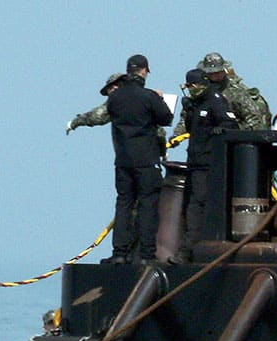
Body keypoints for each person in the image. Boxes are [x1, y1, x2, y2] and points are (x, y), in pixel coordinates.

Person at [102, 54, 173, 265]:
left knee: (123, 203)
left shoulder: (115, 98)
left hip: (122, 160)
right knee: (148, 205)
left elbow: (111, 115)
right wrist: (159, 99)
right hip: (146, 159)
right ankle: (146, 254)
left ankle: (119, 253)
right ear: (144, 71)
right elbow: (166, 118)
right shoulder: (148, 97)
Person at [169, 69, 239, 265]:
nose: (190, 90)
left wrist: (222, 129)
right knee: (192, 205)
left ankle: (190, 251)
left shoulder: (216, 101)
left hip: (209, 164)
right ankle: (190, 249)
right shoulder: (197, 104)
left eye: (192, 87)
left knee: (198, 206)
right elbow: (191, 128)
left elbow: (231, 124)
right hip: (195, 161)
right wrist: (190, 111)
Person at [173, 53, 266, 135]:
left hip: (235, 144)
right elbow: (186, 117)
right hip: (206, 144)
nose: (214, 76)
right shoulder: (199, 92)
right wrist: (177, 135)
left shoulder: (236, 92)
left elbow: (254, 119)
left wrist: (232, 132)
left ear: (224, 70)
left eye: (217, 72)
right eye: (210, 73)